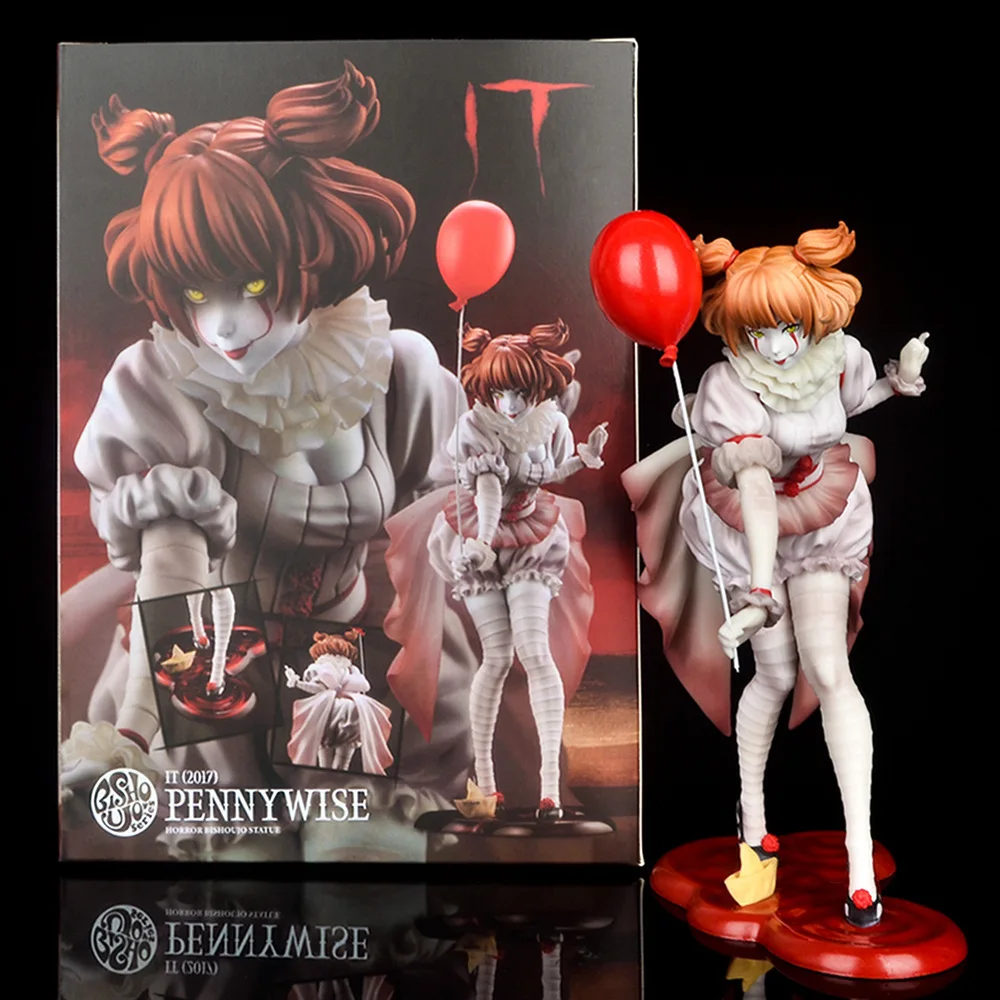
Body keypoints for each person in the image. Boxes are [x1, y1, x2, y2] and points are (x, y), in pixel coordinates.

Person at [59, 62, 465, 860]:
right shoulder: (163, 388)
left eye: (249, 283)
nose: (224, 326)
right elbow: (171, 578)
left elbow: (432, 554)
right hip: (207, 669)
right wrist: (133, 734)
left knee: (354, 849)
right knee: (246, 858)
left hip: (340, 661)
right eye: (197, 294)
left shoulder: (397, 375)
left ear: (312, 250)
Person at [622, 223, 929, 925]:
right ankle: (754, 823)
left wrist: (898, 381)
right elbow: (751, 472)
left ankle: (858, 864)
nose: (777, 346)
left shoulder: (838, 355)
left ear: (812, 317)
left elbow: (856, 399)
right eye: (759, 331)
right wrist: (761, 583)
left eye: (789, 327)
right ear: (738, 329)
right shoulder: (728, 380)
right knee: (776, 674)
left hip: (820, 517)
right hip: (753, 524)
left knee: (830, 670)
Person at [384, 320, 608, 818]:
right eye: (499, 392)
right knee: (497, 658)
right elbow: (487, 491)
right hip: (478, 536)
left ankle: (549, 787)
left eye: (520, 393)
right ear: (485, 391)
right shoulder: (475, 428)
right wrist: (482, 545)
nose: (509, 403)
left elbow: (548, 473)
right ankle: (486, 782)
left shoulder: (550, 423)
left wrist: (584, 459)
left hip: (530, 537)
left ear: (538, 387)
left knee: (535, 652)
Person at [285, 630, 393, 775]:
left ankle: (337, 778)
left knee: (343, 761)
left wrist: (349, 682)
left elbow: (365, 686)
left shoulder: (351, 670)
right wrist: (297, 683)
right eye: (331, 654)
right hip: (327, 712)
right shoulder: (322, 669)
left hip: (351, 712)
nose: (335, 657)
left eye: (338, 654)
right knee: (324, 758)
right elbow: (318, 688)